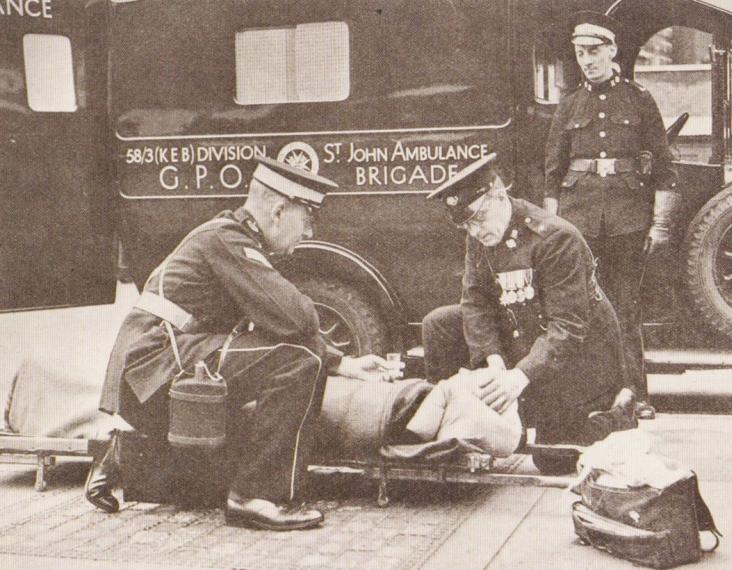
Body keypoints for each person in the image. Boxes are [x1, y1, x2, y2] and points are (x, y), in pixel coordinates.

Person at [85, 156, 401, 530]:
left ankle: (125, 453)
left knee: (298, 360)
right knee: (298, 360)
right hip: (153, 367)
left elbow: (277, 322)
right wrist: (323, 355)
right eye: (307, 219)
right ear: (279, 211)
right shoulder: (228, 239)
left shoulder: (231, 237)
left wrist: (342, 363)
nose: (310, 233)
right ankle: (256, 496)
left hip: (155, 372)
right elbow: (298, 319)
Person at [424, 153, 633, 475]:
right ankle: (454, 435)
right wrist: (493, 361)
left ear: (497, 193)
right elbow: (476, 302)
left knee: (553, 460)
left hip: (580, 356)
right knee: (439, 324)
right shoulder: (481, 236)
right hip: (525, 331)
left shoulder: (556, 237)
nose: (475, 231)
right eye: (466, 224)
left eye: (478, 218)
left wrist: (518, 377)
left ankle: (615, 412)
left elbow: (568, 326)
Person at [543, 11, 682, 420]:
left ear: (612, 51)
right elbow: (553, 173)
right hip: (579, 222)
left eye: (594, 51)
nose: (587, 60)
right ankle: (595, 395)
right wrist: (554, 229)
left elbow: (664, 168)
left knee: (624, 306)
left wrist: (659, 224)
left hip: (626, 220)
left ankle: (636, 395)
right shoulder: (569, 105)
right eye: (580, 53)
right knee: (583, 308)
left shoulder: (639, 100)